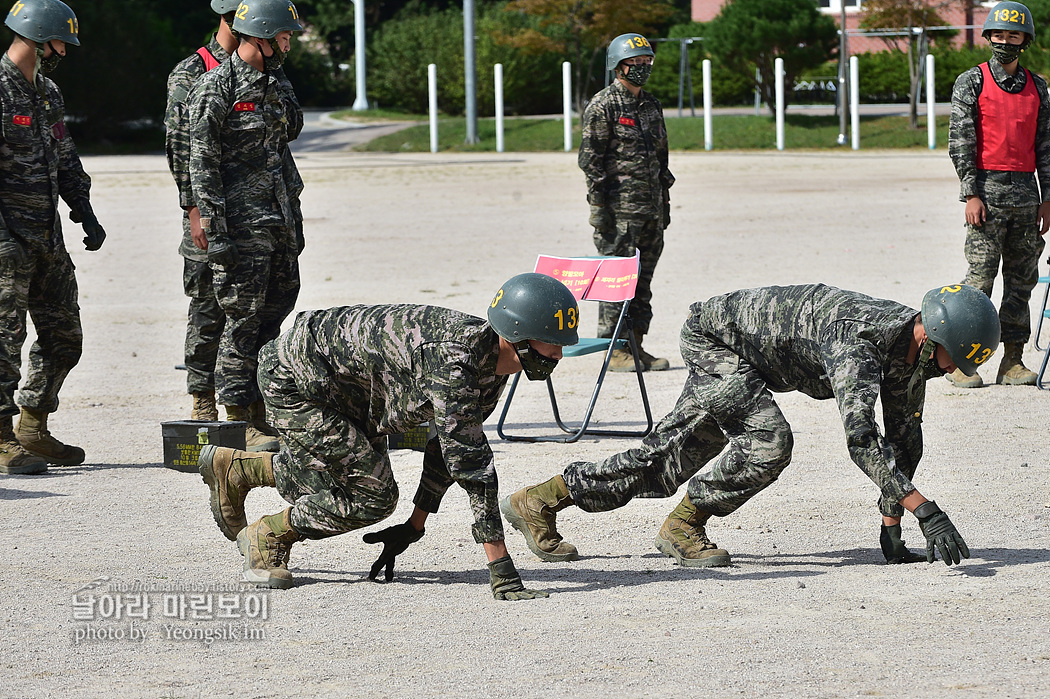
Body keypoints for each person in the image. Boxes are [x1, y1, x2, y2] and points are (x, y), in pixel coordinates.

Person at [501, 284, 999, 570]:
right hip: (717, 339)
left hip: (752, 361)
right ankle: (685, 525)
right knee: (770, 442)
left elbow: (902, 441)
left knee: (666, 459)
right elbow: (862, 439)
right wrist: (925, 509)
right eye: (956, 359)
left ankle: (539, 500)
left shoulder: (912, 356)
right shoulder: (859, 343)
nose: (953, 371)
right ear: (936, 337)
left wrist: (893, 525)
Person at [197, 273, 580, 600]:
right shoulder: (452, 361)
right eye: (554, 343)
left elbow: (446, 450)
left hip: (350, 389)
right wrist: (501, 569)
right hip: (296, 381)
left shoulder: (490, 364)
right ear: (519, 335)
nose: (559, 355)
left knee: (346, 475)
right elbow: (473, 469)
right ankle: (269, 533)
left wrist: (414, 526)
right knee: (371, 495)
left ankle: (239, 468)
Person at [189, 0, 305, 451]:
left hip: (278, 223)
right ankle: (239, 418)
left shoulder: (276, 83)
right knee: (241, 322)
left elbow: (289, 131)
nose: (289, 42)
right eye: (283, 35)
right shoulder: (214, 88)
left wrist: (275, 84)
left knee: (272, 321)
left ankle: (263, 408)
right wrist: (215, 234)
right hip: (240, 230)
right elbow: (203, 164)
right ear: (259, 35)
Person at [0, 0, 106, 475]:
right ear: (39, 37)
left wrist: (83, 210)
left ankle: (32, 425)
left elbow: (64, 153)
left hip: (45, 234)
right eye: (61, 40)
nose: (65, 49)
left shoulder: (47, 92)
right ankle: (1, 439)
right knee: (4, 341)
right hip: (6, 239)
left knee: (65, 335)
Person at [948, 0, 1050, 388]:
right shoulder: (971, 82)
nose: (1006, 40)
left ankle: (1012, 361)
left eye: (1014, 34)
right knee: (979, 283)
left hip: (1026, 195)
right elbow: (961, 141)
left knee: (1022, 281)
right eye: (1000, 34)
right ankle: (961, 363)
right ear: (989, 36)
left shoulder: (1038, 87)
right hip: (986, 197)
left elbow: (1045, 147)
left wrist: (1048, 197)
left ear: (1025, 39)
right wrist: (970, 193)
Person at [579, 32, 674, 373]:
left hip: (650, 211)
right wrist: (600, 210)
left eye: (647, 62)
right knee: (616, 282)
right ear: (618, 67)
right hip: (618, 215)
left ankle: (636, 345)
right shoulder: (604, 105)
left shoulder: (651, 105)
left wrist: (662, 205)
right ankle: (614, 349)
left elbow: (660, 160)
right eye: (636, 63)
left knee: (641, 284)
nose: (643, 68)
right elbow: (591, 161)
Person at [164, 0, 240, 423]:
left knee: (249, 309)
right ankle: (202, 395)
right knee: (208, 307)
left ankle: (247, 398)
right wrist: (194, 209)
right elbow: (179, 147)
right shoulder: (192, 72)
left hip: (252, 214)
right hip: (207, 213)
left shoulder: (264, 68)